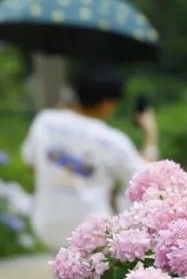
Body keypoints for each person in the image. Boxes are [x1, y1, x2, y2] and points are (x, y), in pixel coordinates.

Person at [21, 68, 158, 251]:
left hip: (46, 227)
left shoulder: (45, 121)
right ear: (107, 103)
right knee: (129, 197)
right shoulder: (112, 140)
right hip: (92, 234)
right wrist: (150, 133)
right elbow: (144, 178)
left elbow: (32, 166)